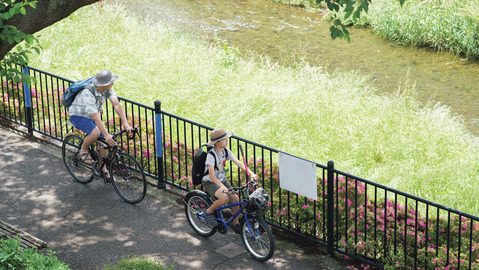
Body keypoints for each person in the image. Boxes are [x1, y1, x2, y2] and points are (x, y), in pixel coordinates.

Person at [68, 70, 132, 176]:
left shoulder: (107, 89)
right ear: (105, 84)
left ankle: (103, 168)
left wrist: (125, 122)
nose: (113, 83)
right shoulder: (87, 93)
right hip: (78, 115)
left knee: (103, 144)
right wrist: (106, 135)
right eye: (111, 81)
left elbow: (116, 104)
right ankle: (83, 150)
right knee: (96, 133)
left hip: (92, 114)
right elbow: (96, 118)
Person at [200, 128, 258, 233]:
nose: (227, 141)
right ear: (217, 143)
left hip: (222, 180)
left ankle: (235, 223)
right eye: (224, 139)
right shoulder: (211, 155)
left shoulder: (225, 151)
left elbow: (239, 163)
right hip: (211, 182)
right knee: (224, 198)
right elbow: (212, 175)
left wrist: (251, 173)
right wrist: (221, 186)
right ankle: (208, 212)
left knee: (235, 199)